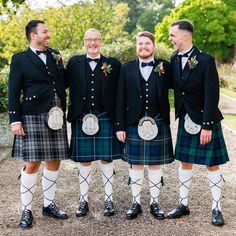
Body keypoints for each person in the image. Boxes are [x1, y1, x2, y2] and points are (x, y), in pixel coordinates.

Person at [167, 20, 229, 226]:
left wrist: (207, 125)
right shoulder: (174, 58)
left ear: (185, 36)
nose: (170, 39)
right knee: (185, 162)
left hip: (203, 118)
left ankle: (216, 208)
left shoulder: (205, 60)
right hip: (186, 119)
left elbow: (212, 95)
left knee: (212, 164)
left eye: (172, 35)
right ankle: (183, 204)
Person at [8, 20, 69, 229]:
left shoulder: (55, 54)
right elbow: (13, 90)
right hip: (32, 115)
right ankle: (26, 210)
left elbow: (63, 81)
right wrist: (15, 119)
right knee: (32, 163)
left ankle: (48, 204)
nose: (48, 34)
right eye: (45, 31)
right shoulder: (20, 59)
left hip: (56, 113)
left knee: (54, 160)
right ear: (33, 35)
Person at [115, 31, 174, 220]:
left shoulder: (165, 66)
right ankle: (136, 203)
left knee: (155, 164)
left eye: (147, 43)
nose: (144, 47)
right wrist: (120, 126)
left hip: (158, 120)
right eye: (140, 44)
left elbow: (182, 87)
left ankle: (154, 203)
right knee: (136, 164)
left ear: (154, 46)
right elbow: (120, 98)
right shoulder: (126, 68)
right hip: (133, 121)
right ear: (136, 47)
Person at [66, 28, 121, 217]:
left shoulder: (112, 64)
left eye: (96, 40)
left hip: (106, 114)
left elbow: (121, 92)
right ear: (84, 41)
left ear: (101, 41)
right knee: (85, 160)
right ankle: (83, 200)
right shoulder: (74, 63)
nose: (92, 43)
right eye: (89, 40)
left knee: (107, 158)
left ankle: (108, 200)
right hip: (82, 116)